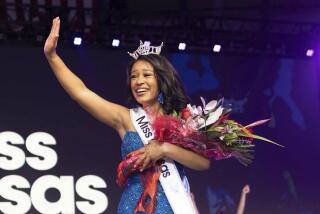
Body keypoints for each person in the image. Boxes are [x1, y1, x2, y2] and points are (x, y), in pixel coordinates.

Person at [44, 17, 210, 213]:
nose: (139, 81)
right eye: (134, 76)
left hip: (174, 207)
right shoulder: (125, 117)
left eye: (147, 75)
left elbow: (203, 163)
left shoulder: (183, 120)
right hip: (134, 207)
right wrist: (52, 56)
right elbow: (81, 93)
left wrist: (164, 149)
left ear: (162, 80)